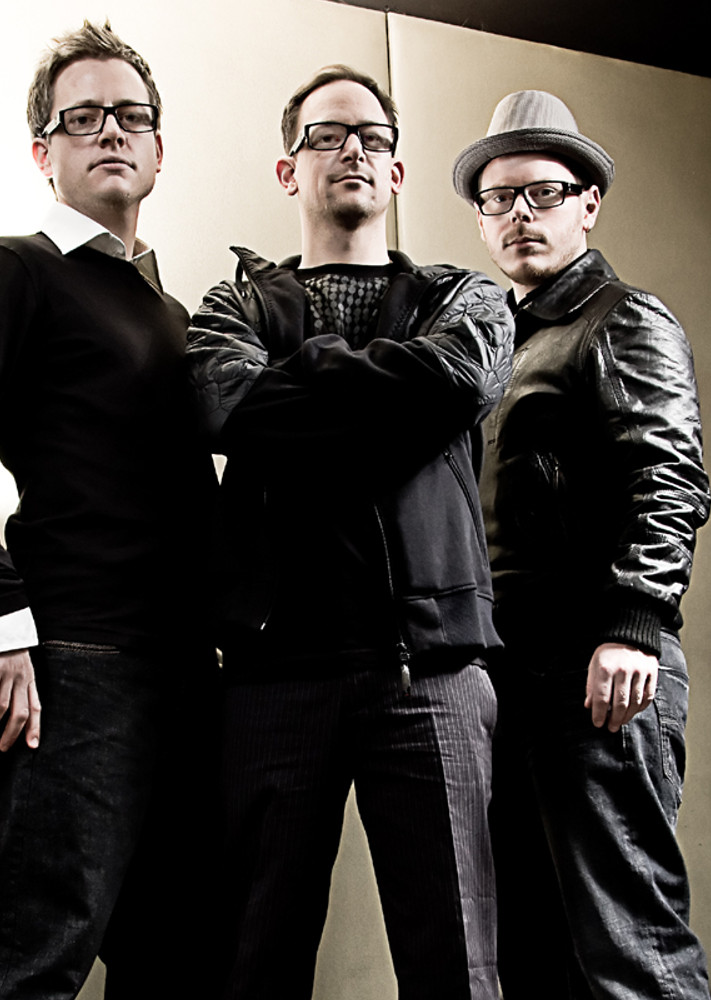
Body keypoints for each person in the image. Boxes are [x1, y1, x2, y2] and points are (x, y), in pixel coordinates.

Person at [0, 21, 218, 1000]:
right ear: (45, 153)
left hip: (186, 672)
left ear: (158, 148)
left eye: (131, 116)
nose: (110, 130)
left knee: (180, 964)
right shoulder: (15, 267)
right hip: (78, 663)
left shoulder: (172, 313)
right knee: (33, 961)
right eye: (82, 118)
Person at [186, 65, 513, 1000]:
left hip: (434, 672)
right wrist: (393, 392)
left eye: (372, 136)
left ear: (398, 170)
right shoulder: (232, 308)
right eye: (326, 136)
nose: (353, 151)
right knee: (254, 963)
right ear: (289, 170)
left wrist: (302, 380)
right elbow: (224, 406)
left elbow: (459, 381)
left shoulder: (467, 299)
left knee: (459, 969)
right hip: (274, 676)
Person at [451, 90, 711, 999]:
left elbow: (669, 476)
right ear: (481, 218)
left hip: (598, 671)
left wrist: (634, 624)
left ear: (588, 203)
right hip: (511, 678)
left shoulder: (623, 319)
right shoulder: (499, 349)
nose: (520, 214)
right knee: (533, 958)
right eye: (499, 198)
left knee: (629, 949)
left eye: (544, 193)